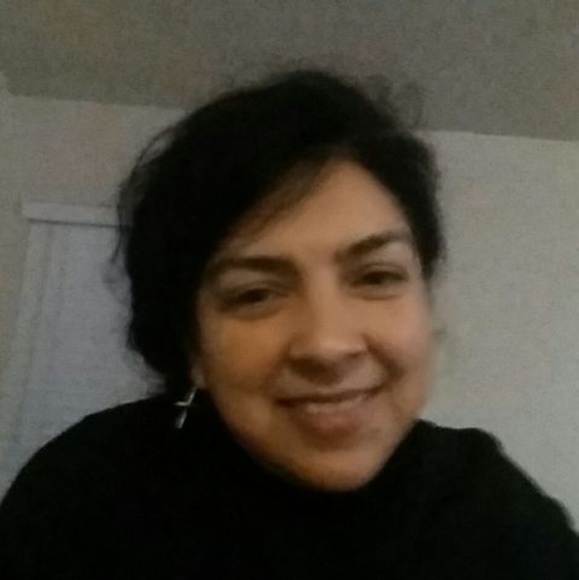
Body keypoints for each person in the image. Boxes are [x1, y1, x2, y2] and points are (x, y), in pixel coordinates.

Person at [0, 69, 577, 579]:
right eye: (255, 294)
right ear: (192, 345)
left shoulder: (492, 512)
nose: (327, 344)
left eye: (376, 276)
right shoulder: (85, 493)